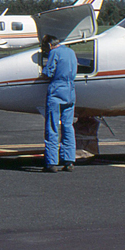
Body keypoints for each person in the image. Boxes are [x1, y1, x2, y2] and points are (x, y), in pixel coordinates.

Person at [42, 35, 77, 173]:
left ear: (50, 45)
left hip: (57, 90)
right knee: (68, 126)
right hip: (70, 91)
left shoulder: (54, 52)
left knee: (52, 126)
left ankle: (51, 162)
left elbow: (49, 72)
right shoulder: (70, 52)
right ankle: (69, 161)